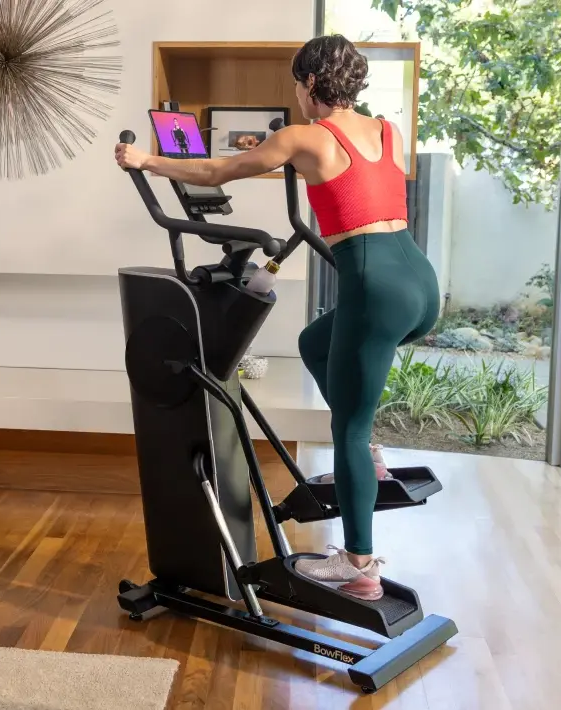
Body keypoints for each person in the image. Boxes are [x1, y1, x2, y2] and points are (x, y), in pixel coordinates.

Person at [115, 34, 440, 601]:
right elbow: (362, 191)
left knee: (350, 431)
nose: (295, 91)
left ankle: (359, 567)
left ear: (311, 84)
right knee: (317, 344)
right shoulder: (386, 129)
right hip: (419, 281)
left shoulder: (302, 137)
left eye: (296, 82)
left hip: (376, 286)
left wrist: (146, 159)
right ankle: (374, 469)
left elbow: (217, 173)